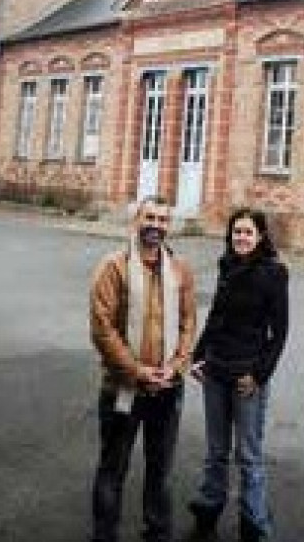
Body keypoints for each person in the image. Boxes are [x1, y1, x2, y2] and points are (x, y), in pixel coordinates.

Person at [88, 197, 198, 542]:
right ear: (136, 219)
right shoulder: (113, 266)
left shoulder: (179, 269)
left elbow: (188, 323)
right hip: (123, 386)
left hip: (167, 388)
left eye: (163, 219)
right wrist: (136, 371)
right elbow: (102, 329)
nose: (156, 224)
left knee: (160, 471)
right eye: (150, 216)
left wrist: (178, 365)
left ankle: (157, 532)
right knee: (113, 469)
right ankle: (104, 534)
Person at [186, 208, 290, 542]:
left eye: (247, 232)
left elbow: (280, 332)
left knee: (248, 454)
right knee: (216, 451)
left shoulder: (274, 274)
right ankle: (208, 509)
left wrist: (260, 375)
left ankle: (255, 523)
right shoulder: (227, 266)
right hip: (216, 372)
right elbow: (216, 315)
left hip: (248, 378)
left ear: (260, 236)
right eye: (236, 231)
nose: (241, 237)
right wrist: (198, 356)